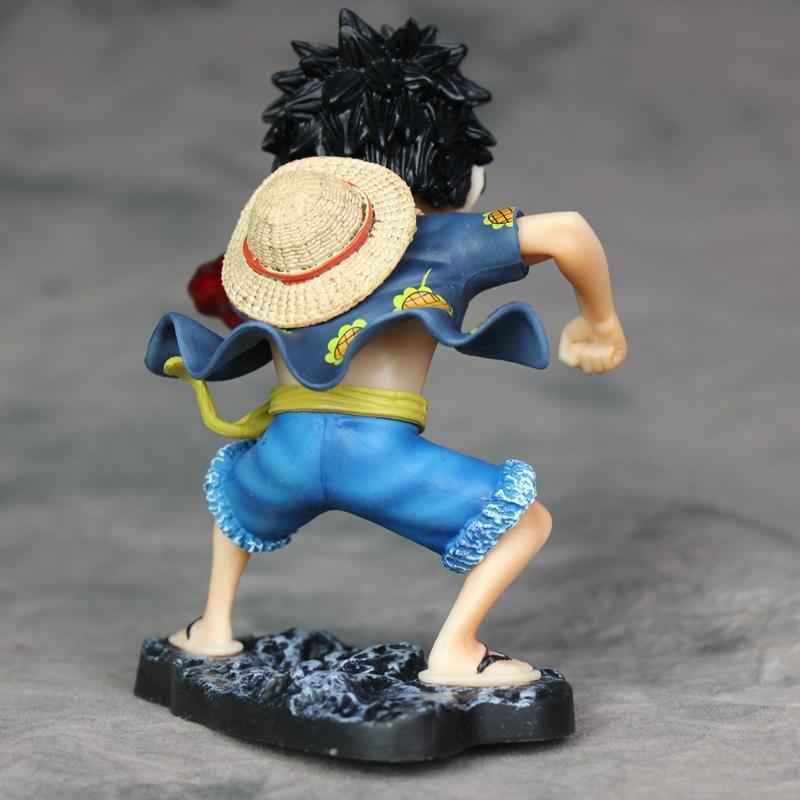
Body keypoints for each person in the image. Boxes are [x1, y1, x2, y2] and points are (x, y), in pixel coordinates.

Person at [144, 11, 627, 687]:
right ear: (449, 163)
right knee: (526, 525)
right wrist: (601, 322)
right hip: (378, 455)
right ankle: (456, 651)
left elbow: (215, 290)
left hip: (283, 452)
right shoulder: (448, 239)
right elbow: (569, 231)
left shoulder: (278, 251)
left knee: (233, 497)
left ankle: (211, 628)